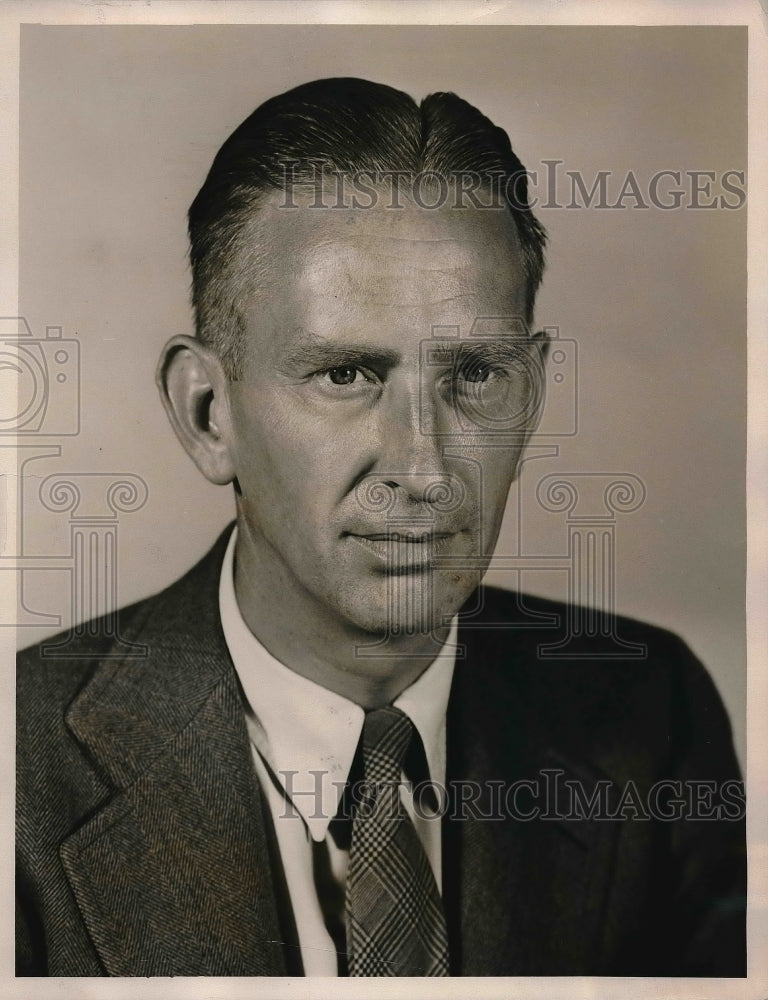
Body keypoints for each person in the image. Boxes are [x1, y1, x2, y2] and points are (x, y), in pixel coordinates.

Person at [16, 77, 745, 978]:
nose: (427, 468)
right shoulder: (22, 768)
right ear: (209, 414)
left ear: (536, 388)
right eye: (347, 375)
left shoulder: (650, 713)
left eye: (476, 374)